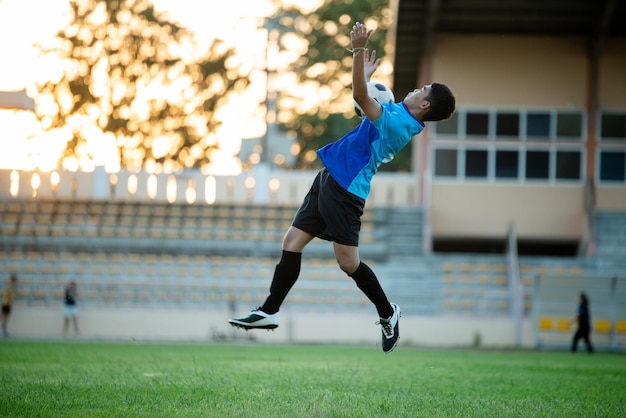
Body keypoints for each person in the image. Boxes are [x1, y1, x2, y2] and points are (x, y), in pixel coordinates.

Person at [229, 21, 455, 353]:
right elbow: (364, 95)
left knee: (348, 263)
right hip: (330, 179)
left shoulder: (398, 123)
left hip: (346, 190)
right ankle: (269, 310)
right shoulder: (398, 113)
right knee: (292, 241)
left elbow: (360, 96)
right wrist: (362, 72)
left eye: (422, 90)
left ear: (424, 106)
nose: (416, 89)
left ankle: (388, 312)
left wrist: (358, 49)